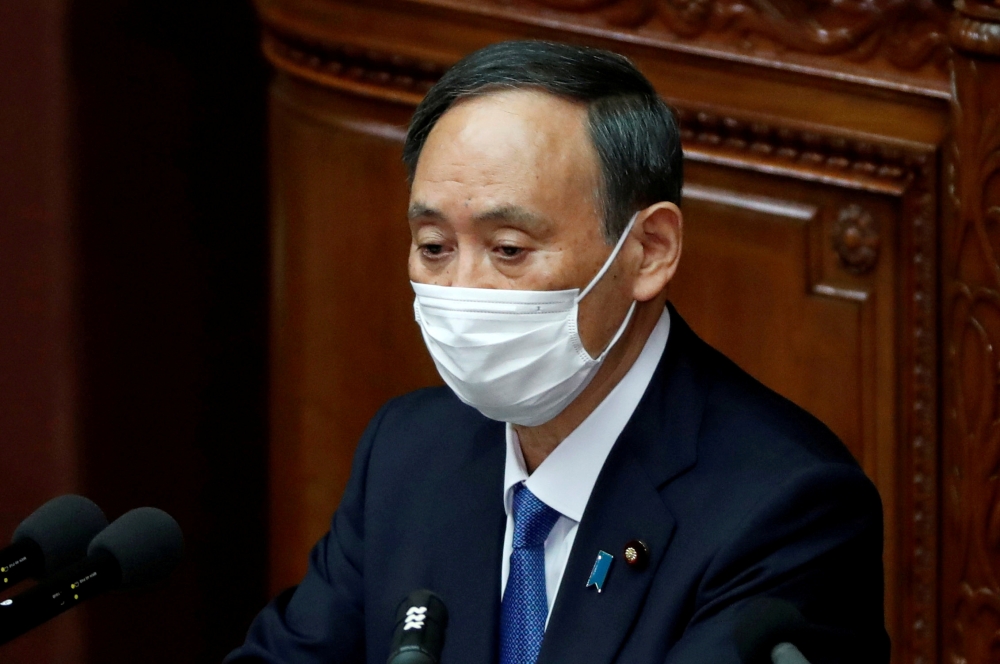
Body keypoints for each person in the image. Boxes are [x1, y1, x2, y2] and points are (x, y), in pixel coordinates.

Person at [225, 40, 889, 664]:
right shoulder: (408, 454)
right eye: (434, 247)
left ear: (648, 250)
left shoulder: (785, 510)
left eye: (509, 249)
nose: (462, 288)